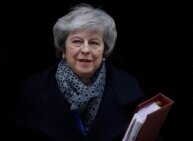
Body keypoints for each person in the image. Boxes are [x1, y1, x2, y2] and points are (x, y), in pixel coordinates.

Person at [15, 3, 146, 141]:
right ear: (63, 49)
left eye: (94, 43)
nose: (85, 50)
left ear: (104, 51)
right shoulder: (33, 91)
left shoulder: (130, 89)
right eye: (77, 41)